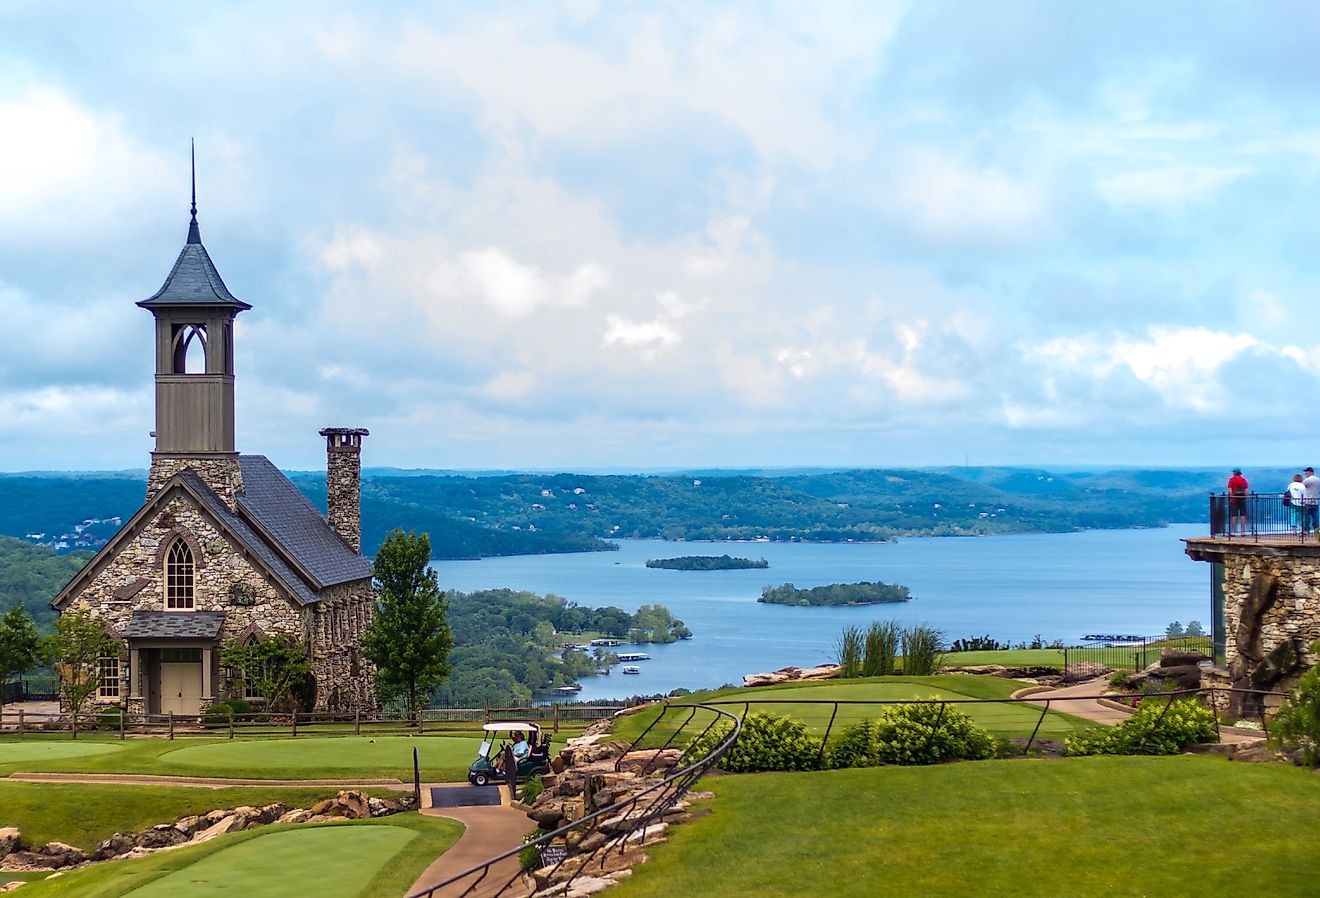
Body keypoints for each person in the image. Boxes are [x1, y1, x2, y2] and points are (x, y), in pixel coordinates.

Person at [1227, 467, 1249, 536]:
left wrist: (1231, 497)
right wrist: (1245, 497)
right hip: (1242, 500)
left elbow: (1230, 490)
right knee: (1243, 515)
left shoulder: (1231, 480)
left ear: (1235, 473)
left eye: (1233, 472)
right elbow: (1246, 491)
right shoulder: (1244, 480)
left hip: (1234, 500)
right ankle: (1242, 532)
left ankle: (1233, 532)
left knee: (1234, 516)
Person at [1304, 467, 1320, 533]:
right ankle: (1317, 531)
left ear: (1310, 472)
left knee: (1307, 517)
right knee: (1315, 517)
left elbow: (1302, 488)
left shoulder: (1307, 480)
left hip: (1308, 501)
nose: (1305, 473)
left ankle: (1306, 530)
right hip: (1316, 501)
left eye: (1306, 472)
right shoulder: (1318, 480)